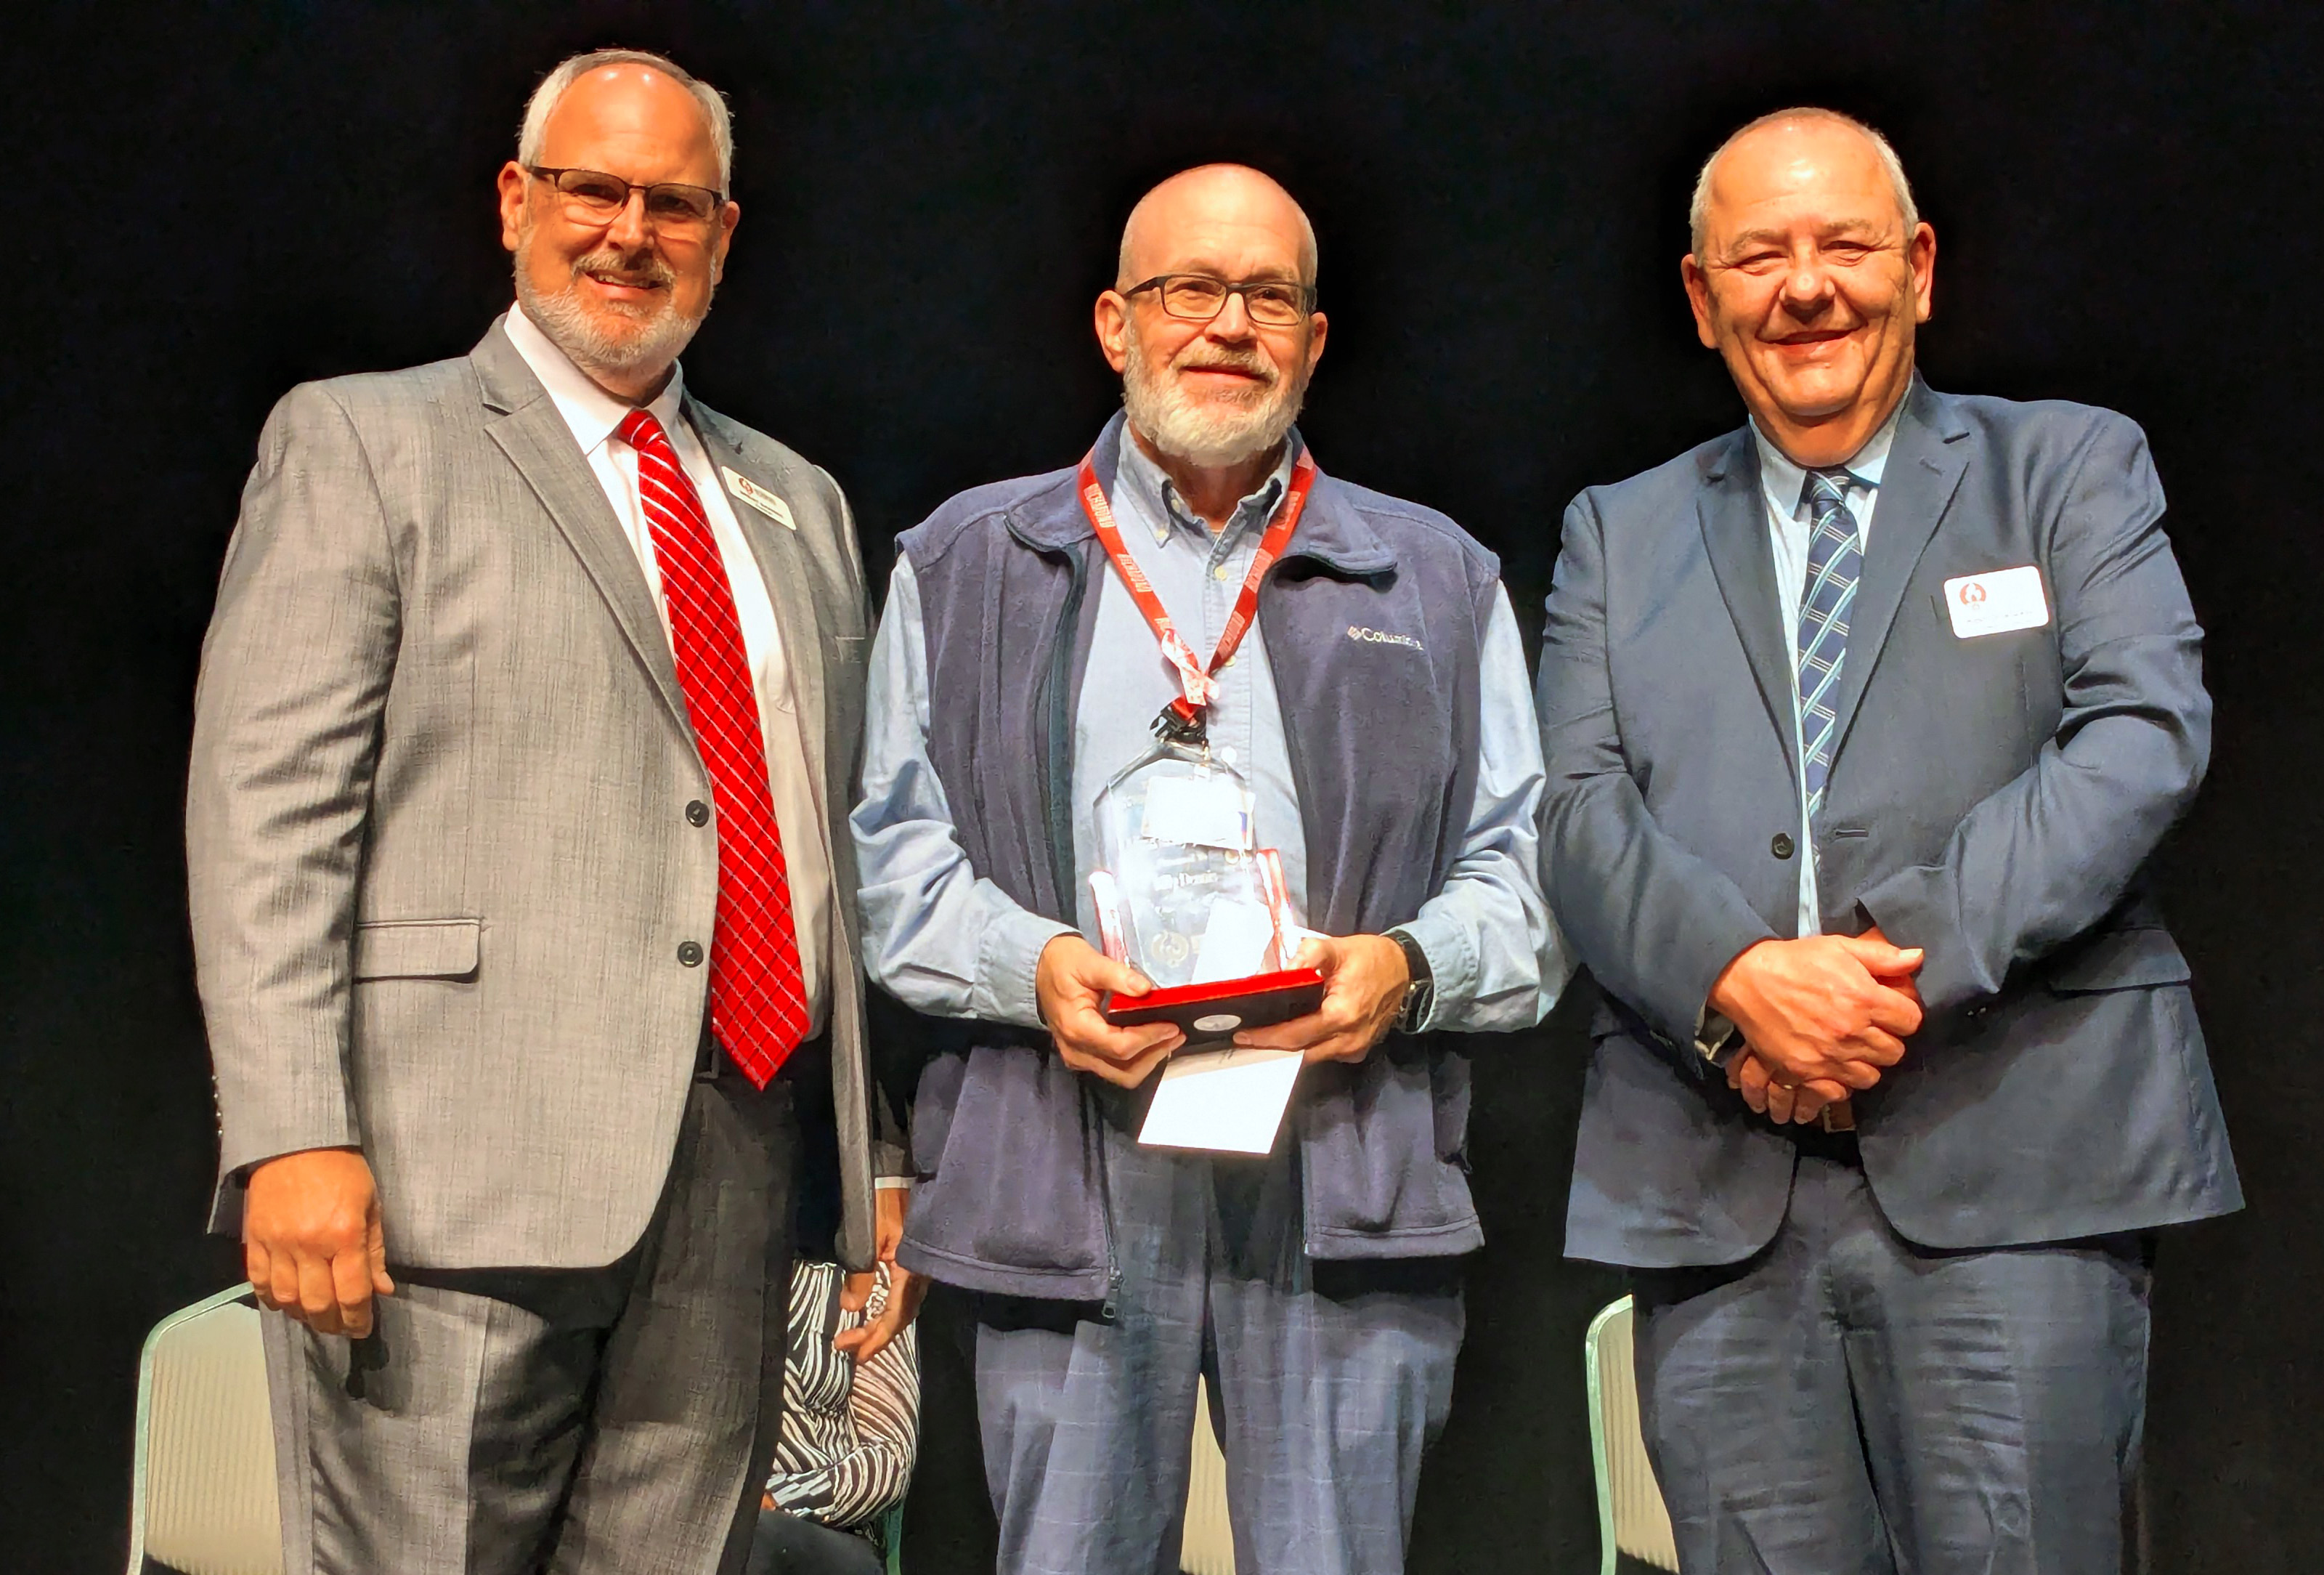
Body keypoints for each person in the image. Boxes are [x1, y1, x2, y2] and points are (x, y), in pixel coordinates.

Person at [186, 49, 917, 1575]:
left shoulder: (797, 498)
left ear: (725, 231)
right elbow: (268, 819)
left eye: (673, 201)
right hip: (440, 1175)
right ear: (518, 202)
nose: (627, 231)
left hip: (732, 1166)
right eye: (593, 187)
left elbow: (819, 845)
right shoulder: (365, 443)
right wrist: (289, 1135)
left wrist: (872, 1144)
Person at [1536, 107, 2240, 1573]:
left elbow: (2137, 731)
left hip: (2018, 1163)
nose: (1807, 288)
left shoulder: (2065, 469)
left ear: (1917, 267)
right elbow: (1571, 809)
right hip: (1716, 1185)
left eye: (1846, 245)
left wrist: (1874, 973)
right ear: (1698, 295)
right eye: (1760, 255)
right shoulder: (1617, 529)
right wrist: (1738, 978)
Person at [850, 163, 1562, 1575]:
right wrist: (1028, 968)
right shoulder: (963, 561)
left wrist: (1404, 971)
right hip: (1065, 1160)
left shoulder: (1436, 576)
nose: (1227, 323)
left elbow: (1525, 882)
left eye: (1268, 295)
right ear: (1115, 322)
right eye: (1189, 288)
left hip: (1338, 1157)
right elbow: (889, 861)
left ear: (1312, 336)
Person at [747, 1259, 919, 1575]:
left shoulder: (869, 1276)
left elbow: (890, 1460)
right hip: (696, 1512)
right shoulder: (692, 1268)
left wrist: (777, 1499)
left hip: (826, 1529)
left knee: (744, 1542)